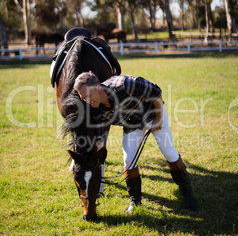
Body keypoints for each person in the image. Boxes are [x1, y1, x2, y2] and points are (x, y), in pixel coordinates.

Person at [73, 71, 197, 213]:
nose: (87, 101)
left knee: (169, 152)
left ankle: (187, 192)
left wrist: (159, 117)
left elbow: (155, 91)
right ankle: (135, 199)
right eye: (83, 98)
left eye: (89, 96)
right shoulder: (93, 108)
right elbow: (101, 134)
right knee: (128, 160)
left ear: (98, 87)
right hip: (132, 122)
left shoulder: (124, 85)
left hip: (152, 113)